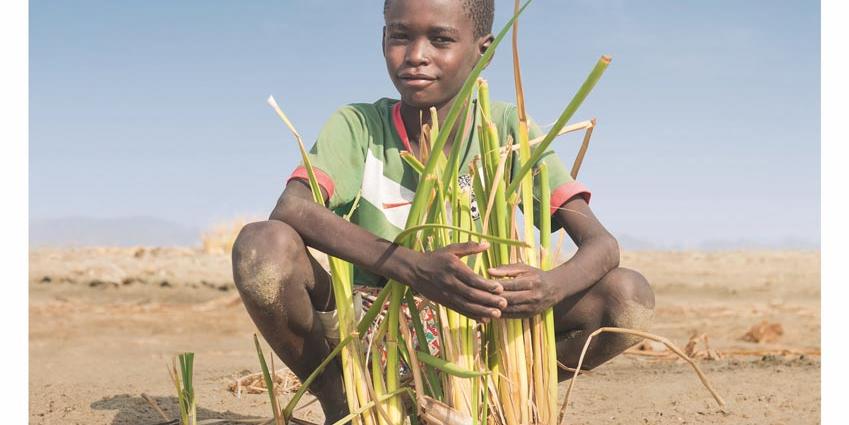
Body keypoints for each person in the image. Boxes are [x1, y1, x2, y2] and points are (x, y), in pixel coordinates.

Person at [232, 0, 655, 422]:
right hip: (373, 323)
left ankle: (493, 397)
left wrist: (551, 286)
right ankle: (344, 402)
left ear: (483, 51)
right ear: (383, 39)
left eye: (441, 39)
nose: (416, 55)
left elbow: (602, 244)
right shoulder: (358, 126)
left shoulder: (506, 129)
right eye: (400, 35)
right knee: (261, 247)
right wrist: (413, 268)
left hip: (478, 326)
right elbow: (292, 207)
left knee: (628, 297)